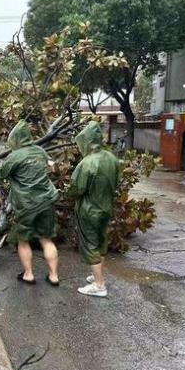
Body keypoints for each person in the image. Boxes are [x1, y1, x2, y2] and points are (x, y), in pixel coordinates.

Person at [0, 120, 60, 286]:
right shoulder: (40, 151)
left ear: (15, 140)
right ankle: (54, 276)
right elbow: (53, 167)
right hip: (47, 200)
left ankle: (29, 274)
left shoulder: (15, 156)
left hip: (27, 205)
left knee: (23, 240)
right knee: (46, 239)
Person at [67, 121, 120, 297]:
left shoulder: (87, 163)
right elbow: (117, 183)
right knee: (100, 242)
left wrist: (68, 194)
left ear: (86, 141)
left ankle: (99, 285)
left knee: (90, 245)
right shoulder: (111, 158)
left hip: (89, 210)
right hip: (105, 207)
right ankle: (97, 275)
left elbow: (76, 189)